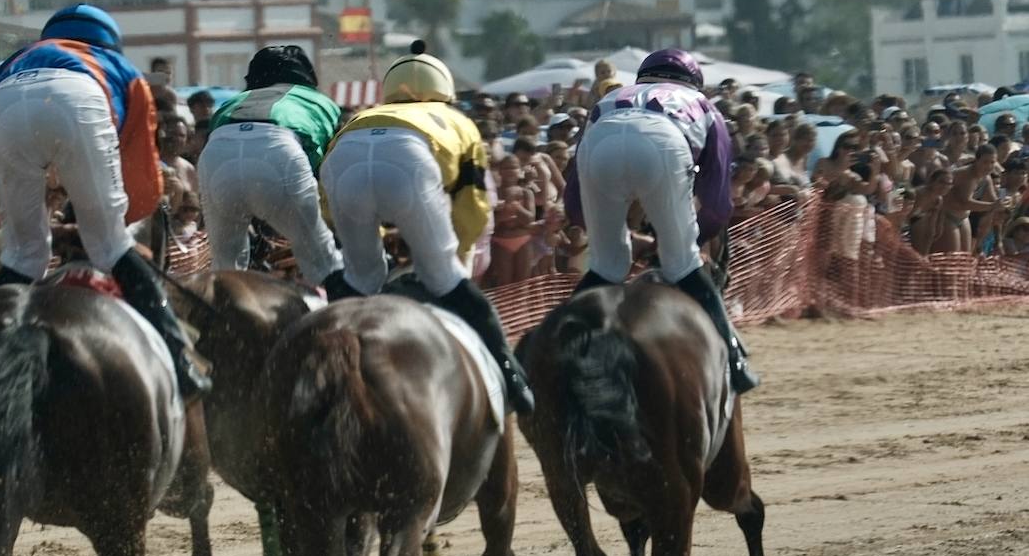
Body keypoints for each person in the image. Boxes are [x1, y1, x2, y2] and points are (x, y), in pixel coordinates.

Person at [0, 3, 210, 400]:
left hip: (4, 103)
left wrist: (1, 213)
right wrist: (117, 222)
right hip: (79, 99)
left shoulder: (15, 60)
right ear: (108, 43)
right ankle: (180, 364)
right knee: (112, 247)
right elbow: (140, 170)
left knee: (22, 255)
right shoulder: (118, 67)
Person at [320, 40, 534, 414]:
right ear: (445, 92)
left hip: (346, 159)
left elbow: (327, 204)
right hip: (410, 161)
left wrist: (376, 240)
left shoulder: (362, 115)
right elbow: (473, 203)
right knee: (446, 277)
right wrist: (456, 252)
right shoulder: (458, 121)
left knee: (360, 280)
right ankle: (511, 378)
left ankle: (325, 378)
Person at [567, 47, 759, 395]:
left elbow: (574, 197)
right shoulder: (704, 106)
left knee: (608, 265)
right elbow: (717, 205)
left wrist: (594, 231)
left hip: (600, 141)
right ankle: (734, 360)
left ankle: (560, 340)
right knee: (682, 263)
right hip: (663, 143)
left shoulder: (611, 97)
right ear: (694, 82)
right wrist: (689, 242)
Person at [196, 45, 346, 291]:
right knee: (322, 260)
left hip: (216, 157)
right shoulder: (322, 102)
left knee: (226, 266)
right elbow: (323, 170)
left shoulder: (232, 102)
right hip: (279, 151)